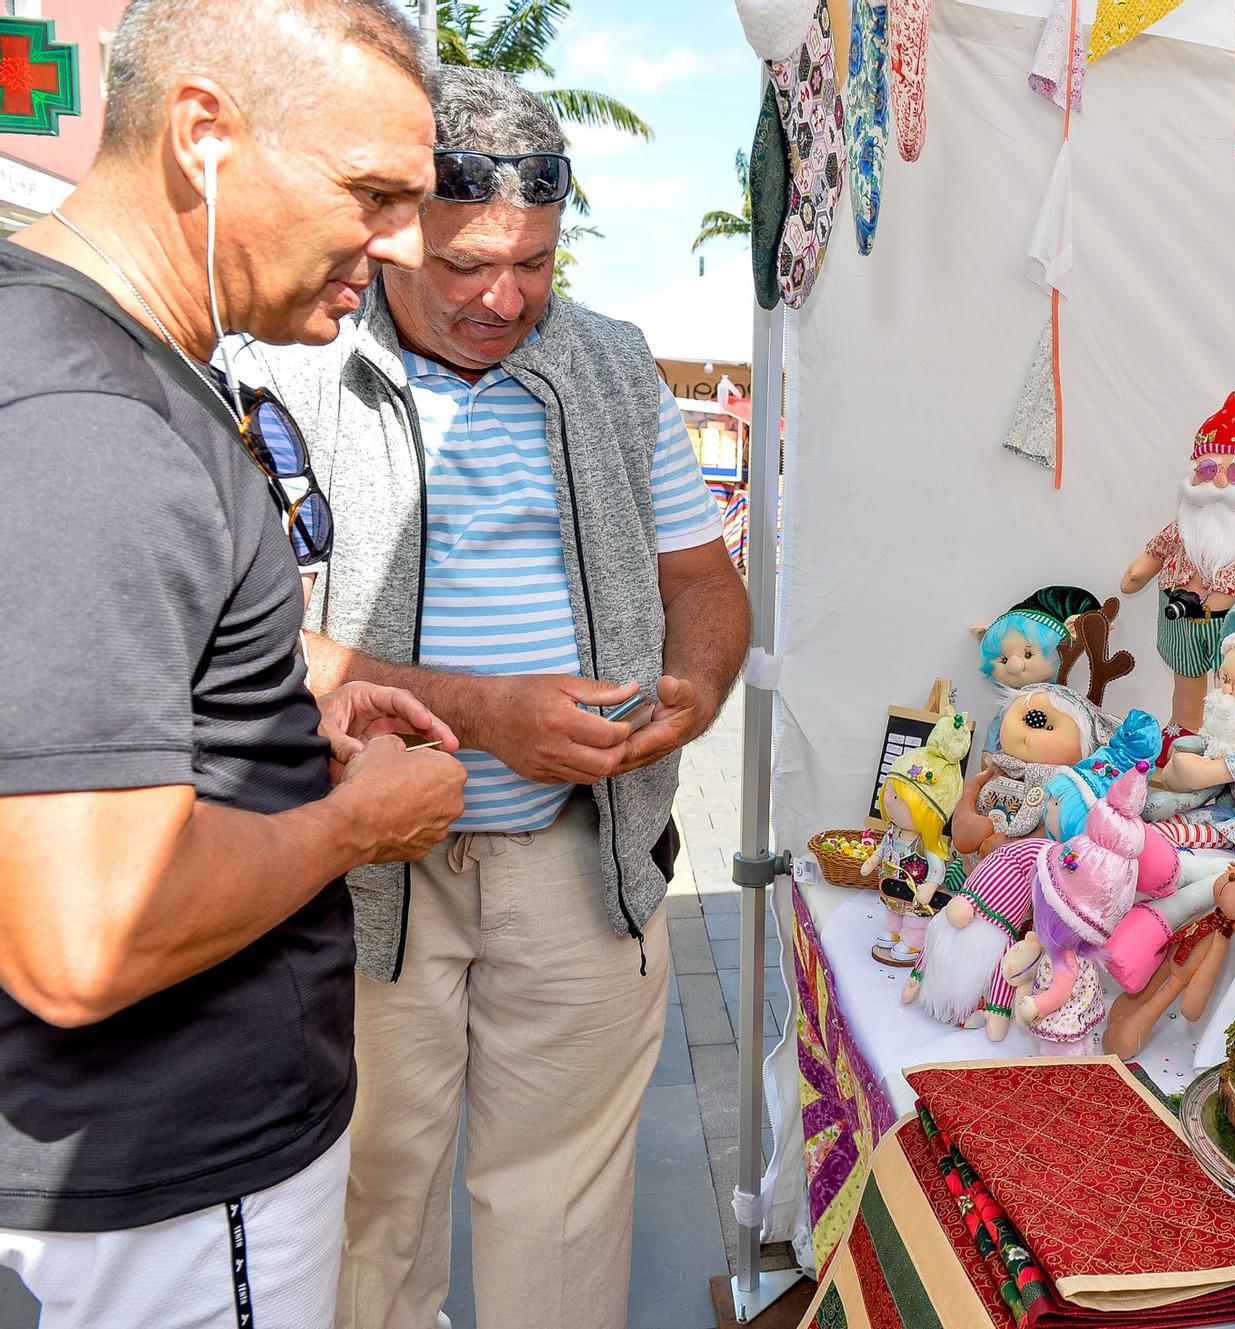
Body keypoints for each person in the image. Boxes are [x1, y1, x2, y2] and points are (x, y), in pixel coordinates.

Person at [255, 65, 752, 1329]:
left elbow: (703, 582)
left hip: (579, 865)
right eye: (469, 260)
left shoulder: (614, 366)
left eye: (533, 260)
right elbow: (252, 647)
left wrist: (692, 689)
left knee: (565, 1207)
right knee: (370, 1201)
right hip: (359, 871)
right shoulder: (291, 369)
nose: (504, 296)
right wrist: (485, 715)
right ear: (393, 229)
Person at [0, 2, 465, 1326]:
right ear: (203, 134)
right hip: (168, 1197)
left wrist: (279, 696)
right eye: (371, 194)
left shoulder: (83, 361)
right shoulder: (92, 422)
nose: (395, 247)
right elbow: (88, 935)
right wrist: (354, 823)